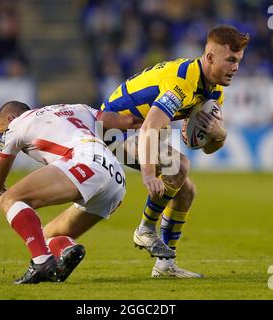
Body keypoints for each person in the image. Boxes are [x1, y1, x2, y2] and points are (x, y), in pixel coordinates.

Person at [99, 25, 249, 278]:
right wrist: (148, 174)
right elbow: (149, 127)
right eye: (231, 60)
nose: (236, 67)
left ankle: (165, 265)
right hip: (113, 129)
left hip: (143, 132)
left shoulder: (214, 91)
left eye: (239, 61)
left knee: (186, 191)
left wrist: (220, 134)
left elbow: (210, 148)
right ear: (210, 57)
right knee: (177, 166)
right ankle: (145, 230)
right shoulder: (181, 82)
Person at [0, 101, 141, 284]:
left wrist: (6, 194)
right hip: (117, 179)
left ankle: (41, 263)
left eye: (1, 131)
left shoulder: (17, 124)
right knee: (44, 238)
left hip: (84, 162)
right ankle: (67, 249)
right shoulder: (79, 108)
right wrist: (159, 127)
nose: (2, 136)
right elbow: (130, 121)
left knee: (9, 200)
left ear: (10, 118)